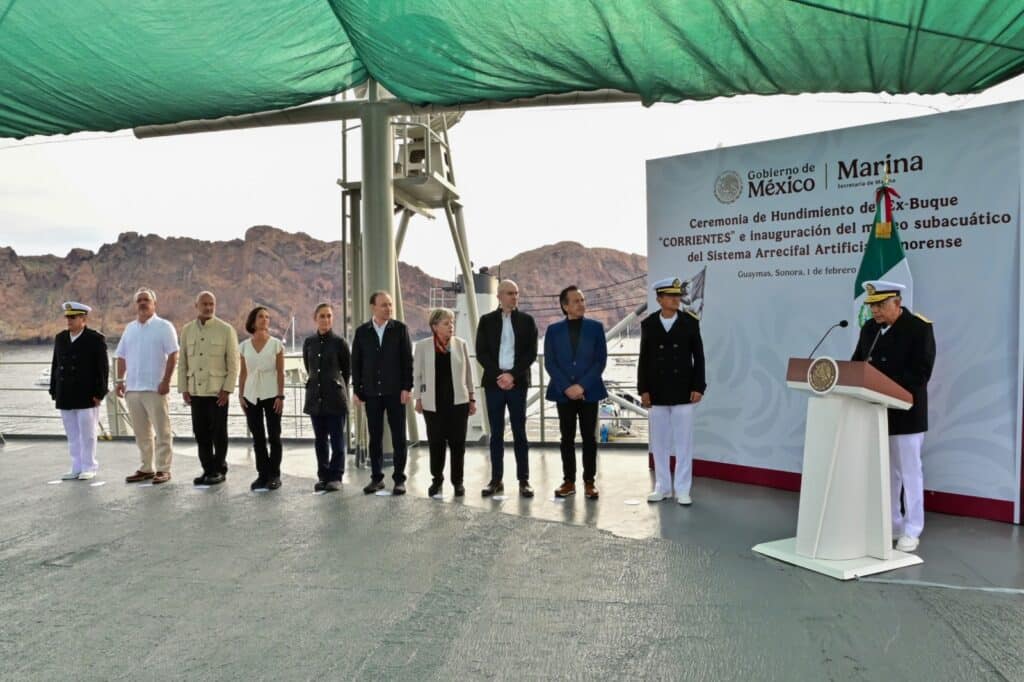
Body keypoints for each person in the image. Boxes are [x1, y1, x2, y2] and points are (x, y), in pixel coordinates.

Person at [852, 280, 936, 553]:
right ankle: (892, 523)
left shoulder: (919, 328)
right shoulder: (869, 329)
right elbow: (857, 364)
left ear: (897, 303)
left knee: (909, 473)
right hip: (877, 412)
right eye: (872, 305)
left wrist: (885, 386)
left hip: (906, 413)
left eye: (880, 305)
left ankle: (913, 528)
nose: (874, 311)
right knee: (886, 473)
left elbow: (921, 372)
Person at [638, 277, 706, 505]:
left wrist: (698, 386)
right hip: (656, 391)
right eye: (671, 296)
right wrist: (643, 389)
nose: (676, 299)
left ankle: (683, 488)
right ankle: (663, 487)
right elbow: (644, 359)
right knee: (659, 443)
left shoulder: (690, 322)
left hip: (683, 390)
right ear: (659, 299)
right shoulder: (648, 324)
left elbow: (699, 357)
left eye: (678, 296)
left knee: (684, 443)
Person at [476, 279, 538, 498]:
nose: (514, 297)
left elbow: (531, 353)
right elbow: (481, 352)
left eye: (516, 293)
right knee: (496, 433)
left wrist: (512, 375)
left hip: (517, 383)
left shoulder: (527, 321)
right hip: (494, 383)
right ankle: (496, 480)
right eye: (510, 293)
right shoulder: (486, 321)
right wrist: (499, 375)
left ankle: (524, 480)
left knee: (520, 432)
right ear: (499, 296)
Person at [544, 286, 608, 499]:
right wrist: (567, 387)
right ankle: (568, 481)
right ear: (565, 306)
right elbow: (550, 363)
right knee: (567, 437)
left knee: (590, 437)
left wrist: (581, 386)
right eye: (576, 301)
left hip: (589, 392)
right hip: (563, 393)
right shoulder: (553, 330)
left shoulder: (596, 328)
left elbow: (600, 361)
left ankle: (589, 482)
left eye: (582, 300)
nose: (581, 304)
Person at [351, 291, 413, 495]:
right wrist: (357, 390)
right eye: (384, 305)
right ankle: (376, 478)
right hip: (371, 393)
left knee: (398, 437)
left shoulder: (400, 329)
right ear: (373, 307)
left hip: (395, 392)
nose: (389, 308)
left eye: (390, 304)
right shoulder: (362, 332)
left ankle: (399, 480)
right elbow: (356, 363)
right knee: (375, 436)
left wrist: (407, 388)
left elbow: (407, 361)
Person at [115, 288, 179, 484]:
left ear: (154, 304)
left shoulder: (164, 327)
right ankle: (146, 468)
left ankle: (163, 469)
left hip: (155, 388)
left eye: (146, 300)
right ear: (136, 305)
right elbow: (121, 356)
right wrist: (119, 381)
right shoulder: (130, 329)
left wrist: (166, 381)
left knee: (162, 431)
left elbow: (173, 354)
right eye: (139, 300)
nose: (143, 303)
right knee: (141, 433)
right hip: (133, 389)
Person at [413, 308, 477, 497]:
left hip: (459, 403)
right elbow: (417, 375)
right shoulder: (423, 346)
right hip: (432, 404)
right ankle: (437, 480)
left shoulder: (461, 344)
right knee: (436, 444)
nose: (451, 326)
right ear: (435, 326)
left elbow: (468, 374)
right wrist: (418, 398)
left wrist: (472, 398)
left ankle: (458, 482)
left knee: (458, 445)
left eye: (452, 323)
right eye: (446, 323)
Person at [178, 291, 239, 486]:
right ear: (196, 306)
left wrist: (227, 389)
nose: (208, 307)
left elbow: (233, 363)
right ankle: (207, 469)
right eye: (204, 304)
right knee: (200, 432)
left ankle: (219, 469)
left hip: (217, 391)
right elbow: (183, 362)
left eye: (211, 304)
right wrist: (184, 388)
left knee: (218, 433)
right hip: (196, 391)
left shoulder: (226, 330)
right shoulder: (187, 330)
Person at [49, 301, 109, 480]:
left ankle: (89, 466)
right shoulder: (61, 338)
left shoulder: (95, 339)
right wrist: (54, 389)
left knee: (87, 433)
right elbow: (55, 365)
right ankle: (76, 466)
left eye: (73, 317)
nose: (69, 320)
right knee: (72, 433)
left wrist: (100, 393)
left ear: (83, 319)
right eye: (67, 317)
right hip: (65, 393)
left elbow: (102, 368)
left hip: (86, 394)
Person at [303, 303, 352, 493]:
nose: (326, 319)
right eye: (322, 316)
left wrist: (338, 388)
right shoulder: (309, 342)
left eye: (329, 316)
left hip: (335, 398)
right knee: (320, 440)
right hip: (315, 398)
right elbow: (309, 368)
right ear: (315, 318)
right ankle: (323, 476)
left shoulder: (340, 343)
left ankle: (336, 476)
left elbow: (346, 372)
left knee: (337, 439)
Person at [239, 306, 285, 491]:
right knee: (258, 438)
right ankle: (262, 475)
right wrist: (241, 395)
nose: (265, 319)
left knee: (274, 436)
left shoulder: (276, 345)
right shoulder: (244, 346)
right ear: (253, 321)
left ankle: (274, 475)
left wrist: (280, 395)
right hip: (251, 395)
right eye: (261, 316)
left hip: (272, 394)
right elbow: (243, 373)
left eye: (267, 317)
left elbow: (280, 372)